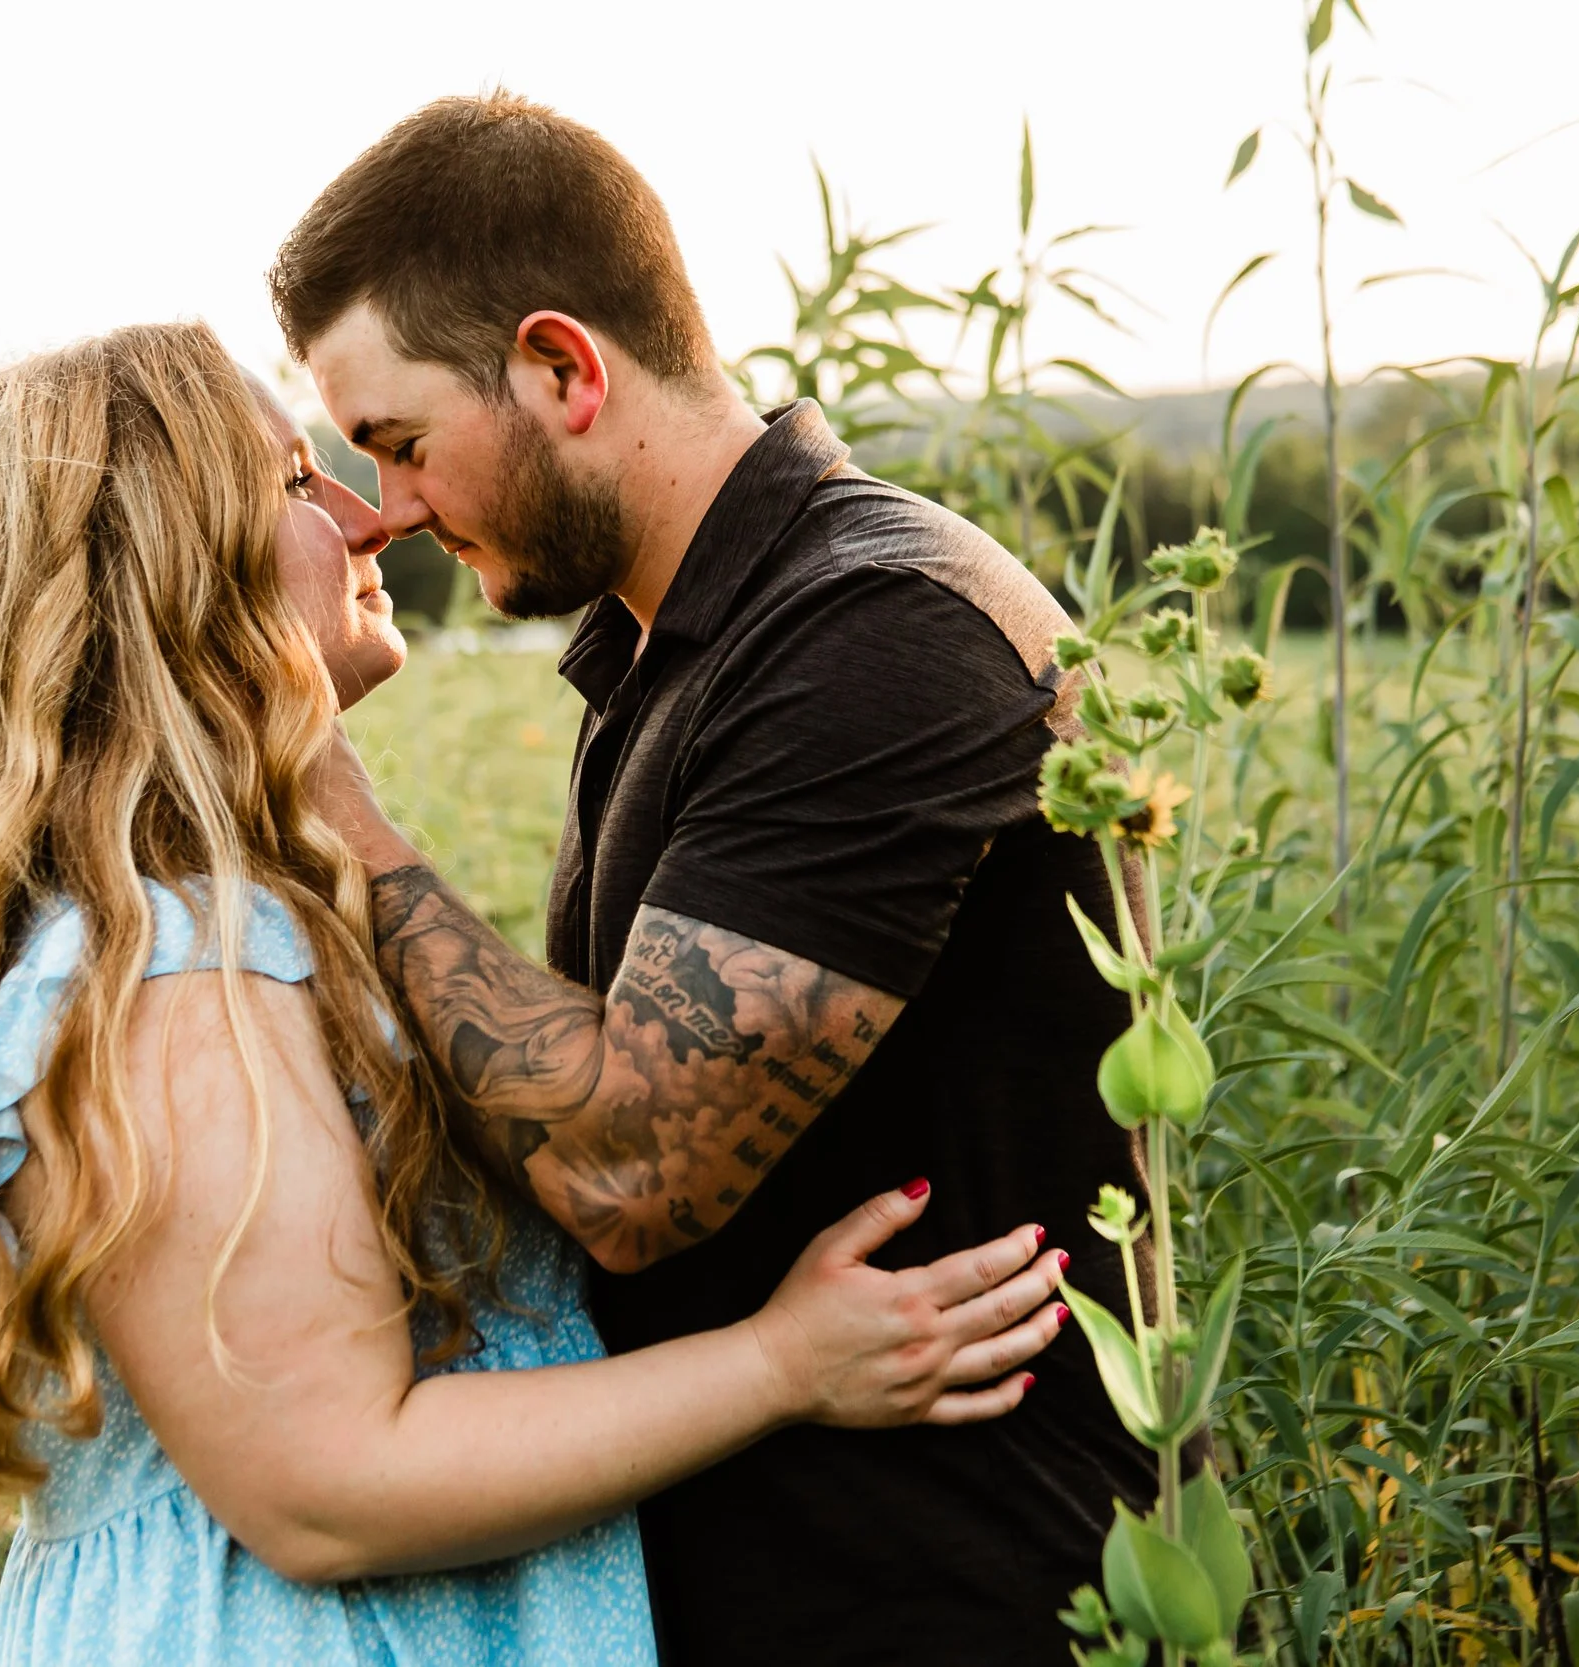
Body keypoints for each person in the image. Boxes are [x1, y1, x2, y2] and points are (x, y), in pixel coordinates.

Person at [0, 321, 1070, 1666]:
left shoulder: (210, 919)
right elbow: (328, 1486)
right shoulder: (181, 963)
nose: (370, 522)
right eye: (297, 485)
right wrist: (785, 1366)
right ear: (171, 570)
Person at [271, 94, 1162, 1664]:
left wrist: (316, 783)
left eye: (404, 444)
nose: (389, 509)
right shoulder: (681, 649)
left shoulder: (875, 636)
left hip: (967, 1589)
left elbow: (628, 1171)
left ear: (562, 366)